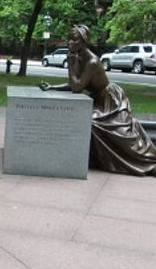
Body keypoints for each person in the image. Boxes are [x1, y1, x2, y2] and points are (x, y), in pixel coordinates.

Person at [39, 24, 156, 175]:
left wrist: (71, 65)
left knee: (97, 124)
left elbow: (77, 87)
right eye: (69, 39)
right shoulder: (79, 57)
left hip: (110, 101)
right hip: (97, 99)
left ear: (83, 41)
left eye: (74, 40)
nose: (69, 43)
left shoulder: (92, 62)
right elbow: (74, 84)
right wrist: (52, 87)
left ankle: (139, 160)